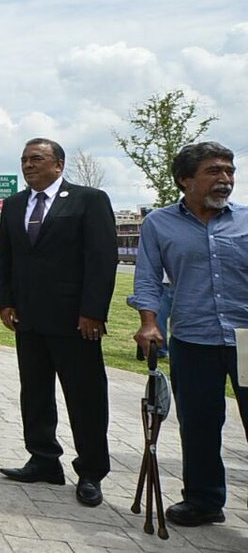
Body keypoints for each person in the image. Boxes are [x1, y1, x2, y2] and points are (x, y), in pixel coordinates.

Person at [129, 141, 248, 526]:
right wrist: (149, 322)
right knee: (198, 424)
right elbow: (148, 279)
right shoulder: (158, 223)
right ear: (185, 180)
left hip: (247, 339)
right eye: (214, 171)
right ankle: (204, 500)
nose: (225, 179)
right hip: (193, 339)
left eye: (229, 171)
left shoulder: (246, 220)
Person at [0, 138, 117, 507]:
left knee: (85, 397)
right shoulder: (15, 205)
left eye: (37, 159)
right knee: (35, 392)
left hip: (75, 321)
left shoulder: (88, 200)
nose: (28, 165)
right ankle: (43, 459)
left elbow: (101, 258)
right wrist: (5, 302)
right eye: (24, 160)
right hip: (28, 318)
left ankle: (91, 471)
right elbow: (6, 257)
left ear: (59, 164)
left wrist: (93, 311)